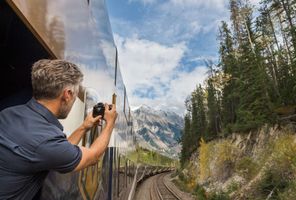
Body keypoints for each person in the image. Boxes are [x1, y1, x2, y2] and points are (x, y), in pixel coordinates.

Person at [0, 59, 117, 200]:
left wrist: (84, 127)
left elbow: (59, 149)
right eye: (75, 94)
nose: (74, 100)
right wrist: (110, 123)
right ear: (67, 94)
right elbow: (92, 157)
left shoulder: (8, 113)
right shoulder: (45, 141)